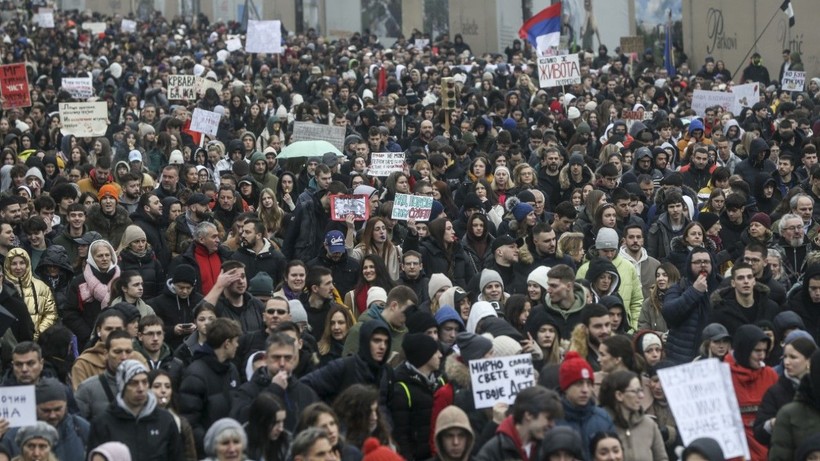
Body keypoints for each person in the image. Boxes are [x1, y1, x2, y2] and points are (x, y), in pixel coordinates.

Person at [87, 360, 182, 461]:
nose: (140, 388)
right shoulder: (103, 423)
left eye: (145, 382)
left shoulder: (165, 420)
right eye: (134, 383)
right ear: (123, 386)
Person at [177, 318, 242, 456]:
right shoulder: (195, 375)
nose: (237, 345)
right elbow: (190, 422)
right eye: (236, 341)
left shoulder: (232, 370)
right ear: (227, 343)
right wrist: (213, 447)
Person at [231, 332, 319, 433]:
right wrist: (274, 390)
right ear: (266, 358)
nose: (282, 363)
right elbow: (239, 422)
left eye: (287, 358)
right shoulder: (248, 391)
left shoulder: (306, 393)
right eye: (276, 357)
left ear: (295, 359)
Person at [301, 319, 395, 409]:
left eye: (386, 342)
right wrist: (326, 415)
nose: (382, 346)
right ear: (365, 342)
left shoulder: (387, 373)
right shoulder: (345, 366)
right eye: (377, 340)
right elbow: (305, 386)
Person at [1, 378, 89, 460]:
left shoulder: (81, 428)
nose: (52, 415)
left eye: (58, 409)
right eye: (46, 410)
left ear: (66, 405)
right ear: (35, 407)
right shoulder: (13, 435)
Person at [754, 335, 817, 447]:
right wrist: (773, 424)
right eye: (785, 357)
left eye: (793, 357)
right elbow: (759, 433)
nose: (787, 362)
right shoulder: (775, 392)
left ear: (809, 360)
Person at [663, 247, 721, 363]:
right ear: (689, 265)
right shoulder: (680, 287)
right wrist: (694, 291)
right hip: (682, 358)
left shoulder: (723, 287)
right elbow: (669, 313)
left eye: (706, 262)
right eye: (698, 262)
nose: (703, 265)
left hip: (715, 356)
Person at [474, 386, 563, 461]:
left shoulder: (549, 447)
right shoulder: (494, 451)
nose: (552, 425)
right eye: (548, 418)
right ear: (528, 415)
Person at [555, 351, 615, 460]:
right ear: (565, 387)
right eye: (579, 384)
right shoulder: (552, 420)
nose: (585, 390)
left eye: (589, 384)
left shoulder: (603, 418)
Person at [391, 333, 442, 460]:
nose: (440, 355)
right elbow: (401, 436)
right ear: (425, 356)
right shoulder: (402, 389)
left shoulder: (439, 381)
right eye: (435, 352)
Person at [599, 370, 668, 461]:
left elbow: (661, 458)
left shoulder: (649, 425)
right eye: (636, 391)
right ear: (619, 395)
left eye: (641, 390)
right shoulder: (600, 424)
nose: (641, 396)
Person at [63, 239, 121, 346]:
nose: (104, 259)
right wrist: (88, 334)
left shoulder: (121, 280)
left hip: (119, 337)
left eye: (107, 255)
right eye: (100, 256)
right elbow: (69, 313)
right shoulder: (79, 282)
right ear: (92, 258)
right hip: (88, 340)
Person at [2, 248, 57, 340]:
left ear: (27, 264)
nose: (18, 267)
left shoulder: (41, 286)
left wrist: (37, 335)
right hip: (10, 343)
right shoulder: (3, 288)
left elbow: (51, 314)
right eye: (14, 264)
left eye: (22, 263)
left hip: (39, 342)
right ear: (8, 265)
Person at [148, 263, 204, 350]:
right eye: (181, 287)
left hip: (196, 347)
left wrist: (197, 328)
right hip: (168, 348)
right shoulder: (158, 303)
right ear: (173, 284)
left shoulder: (200, 300)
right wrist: (173, 330)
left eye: (188, 288)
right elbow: (151, 329)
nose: (185, 291)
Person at [200, 261, 265, 333]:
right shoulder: (217, 306)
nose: (241, 281)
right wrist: (219, 286)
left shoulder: (256, 304)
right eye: (235, 277)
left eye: (243, 276)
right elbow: (199, 313)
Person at [148, 369, 198, 461]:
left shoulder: (181, 424)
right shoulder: (141, 420)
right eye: (157, 386)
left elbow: (190, 456)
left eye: (167, 386)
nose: (163, 391)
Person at [245, 393, 291, 461]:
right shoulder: (238, 445)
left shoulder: (287, 443)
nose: (281, 429)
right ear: (261, 421)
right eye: (275, 423)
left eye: (282, 421)